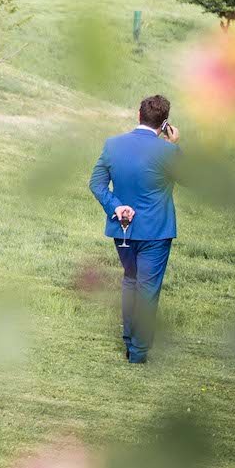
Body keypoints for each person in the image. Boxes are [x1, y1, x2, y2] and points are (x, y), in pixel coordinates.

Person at [88, 94, 179, 364]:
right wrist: (175, 145)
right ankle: (138, 352)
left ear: (138, 116)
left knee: (130, 281)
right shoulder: (168, 150)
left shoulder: (113, 144)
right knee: (147, 289)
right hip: (155, 231)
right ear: (164, 124)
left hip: (123, 230)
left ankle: (128, 339)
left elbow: (97, 184)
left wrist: (116, 207)